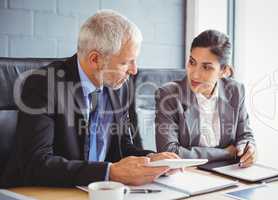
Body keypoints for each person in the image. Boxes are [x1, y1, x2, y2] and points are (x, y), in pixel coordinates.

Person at [0, 10, 180, 188]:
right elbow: (36, 163)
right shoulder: (43, 84)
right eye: (125, 62)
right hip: (42, 191)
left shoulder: (119, 87)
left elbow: (122, 147)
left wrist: (150, 160)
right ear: (95, 59)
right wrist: (110, 172)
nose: (134, 71)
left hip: (97, 190)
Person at [155, 30, 256, 167]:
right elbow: (169, 152)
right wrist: (226, 153)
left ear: (224, 71)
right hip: (189, 174)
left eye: (206, 67)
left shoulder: (235, 91)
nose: (195, 74)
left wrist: (247, 149)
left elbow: (244, 135)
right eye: (192, 62)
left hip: (230, 171)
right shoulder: (169, 95)